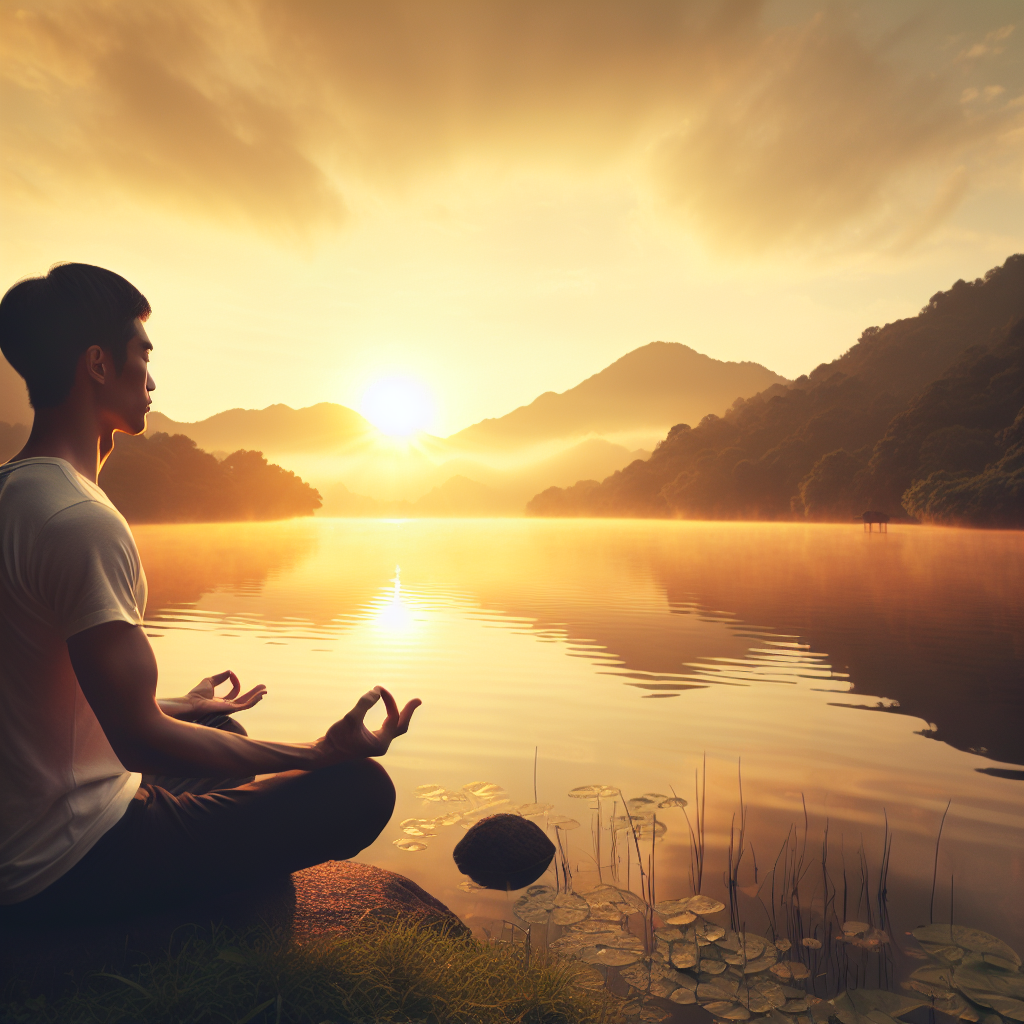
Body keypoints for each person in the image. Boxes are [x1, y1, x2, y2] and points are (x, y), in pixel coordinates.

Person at [0, 263, 420, 925]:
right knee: (359, 788)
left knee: (218, 724)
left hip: (22, 832)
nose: (153, 378)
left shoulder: (15, 491)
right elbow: (139, 742)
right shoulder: (78, 519)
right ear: (98, 365)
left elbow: (33, 692)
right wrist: (317, 753)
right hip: (71, 861)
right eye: (144, 355)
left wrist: (176, 706)